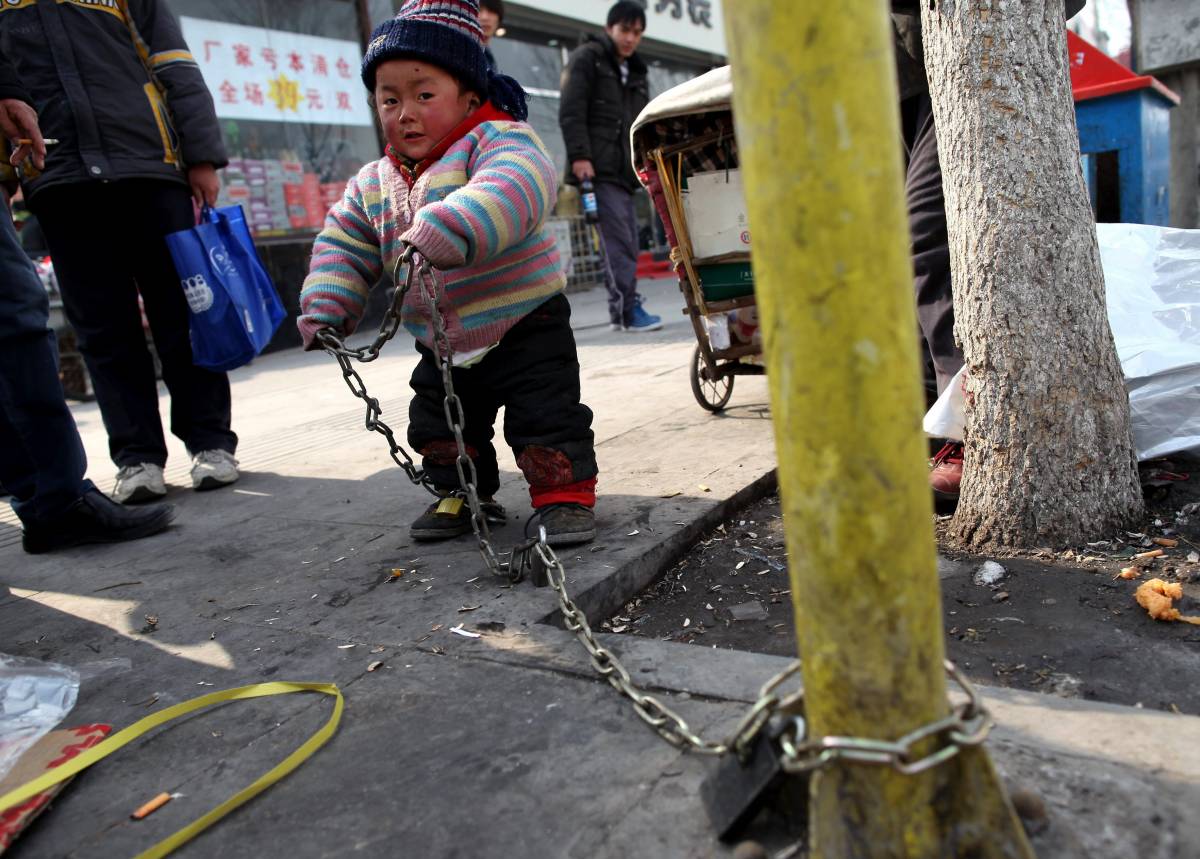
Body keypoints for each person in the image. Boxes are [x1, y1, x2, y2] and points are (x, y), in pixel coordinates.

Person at [298, 0, 598, 547]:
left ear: (469, 94)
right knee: (439, 424)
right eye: (389, 99)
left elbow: (514, 185)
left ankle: (564, 497)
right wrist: (327, 303)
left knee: (546, 415)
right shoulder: (374, 181)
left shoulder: (500, 140)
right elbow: (344, 239)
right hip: (439, 338)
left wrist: (453, 224)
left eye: (423, 95)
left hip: (523, 321)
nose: (404, 112)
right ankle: (460, 491)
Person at [0, 0, 239, 505]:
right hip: (58, 178)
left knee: (184, 316)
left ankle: (211, 443)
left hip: (152, 168)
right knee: (103, 330)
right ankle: (137, 457)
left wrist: (201, 156)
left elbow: (175, 63)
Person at [891, 0, 1085, 504]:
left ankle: (967, 433)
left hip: (969, 55)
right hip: (884, 80)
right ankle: (928, 428)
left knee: (930, 232)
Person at [0, 62, 175, 554]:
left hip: (131, 164)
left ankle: (47, 495)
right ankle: (53, 497)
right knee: (16, 315)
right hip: (68, 178)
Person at [559, 1, 662, 333]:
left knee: (628, 240)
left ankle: (622, 311)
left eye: (637, 32)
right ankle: (627, 310)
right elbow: (571, 111)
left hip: (624, 171)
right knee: (618, 241)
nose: (630, 38)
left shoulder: (636, 72)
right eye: (624, 30)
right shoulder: (587, 58)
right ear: (609, 29)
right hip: (596, 168)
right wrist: (580, 157)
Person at [478, 0, 503, 71]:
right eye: (478, 10)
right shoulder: (459, 51)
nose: (485, 17)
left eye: (491, 11)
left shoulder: (490, 59)